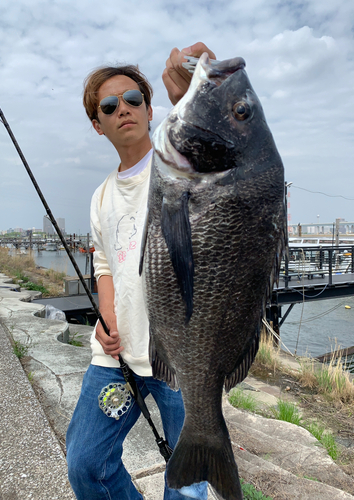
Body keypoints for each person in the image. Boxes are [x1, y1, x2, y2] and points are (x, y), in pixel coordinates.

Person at [66, 43, 216, 500]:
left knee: (188, 485)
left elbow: (217, 155)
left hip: (184, 361)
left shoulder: (180, 164)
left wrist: (195, 92)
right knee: (86, 465)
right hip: (116, 357)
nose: (123, 109)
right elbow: (105, 262)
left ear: (151, 110)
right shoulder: (100, 196)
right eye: (109, 106)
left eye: (133, 99)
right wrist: (106, 317)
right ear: (98, 124)